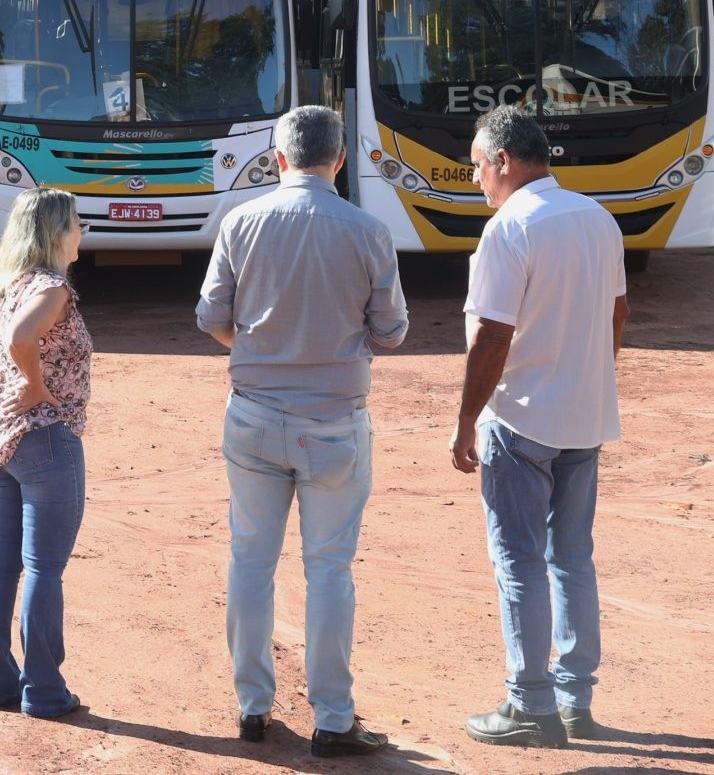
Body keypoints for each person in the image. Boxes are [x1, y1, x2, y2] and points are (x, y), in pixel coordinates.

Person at [197, 104, 410, 757]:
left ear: (278, 158)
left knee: (251, 561)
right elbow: (392, 331)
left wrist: (261, 348)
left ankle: (252, 704)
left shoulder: (240, 221)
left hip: (254, 413)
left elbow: (211, 315)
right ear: (339, 159)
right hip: (334, 424)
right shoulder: (368, 230)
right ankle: (334, 716)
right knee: (329, 569)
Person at [453, 104, 626, 749]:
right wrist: (591, 376)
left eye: (477, 166)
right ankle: (575, 699)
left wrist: (466, 420)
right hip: (584, 419)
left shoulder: (509, 230)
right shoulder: (596, 218)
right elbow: (618, 312)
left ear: (504, 160)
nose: (476, 180)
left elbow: (492, 336)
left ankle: (530, 702)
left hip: (521, 418)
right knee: (572, 558)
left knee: (519, 560)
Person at [0, 187, 92, 720]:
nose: (81, 232)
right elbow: (24, 339)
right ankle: (43, 692)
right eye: (76, 223)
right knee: (43, 567)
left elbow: (14, 337)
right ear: (56, 232)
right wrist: (38, 384)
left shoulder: (4, 286)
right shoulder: (51, 288)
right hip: (45, 437)